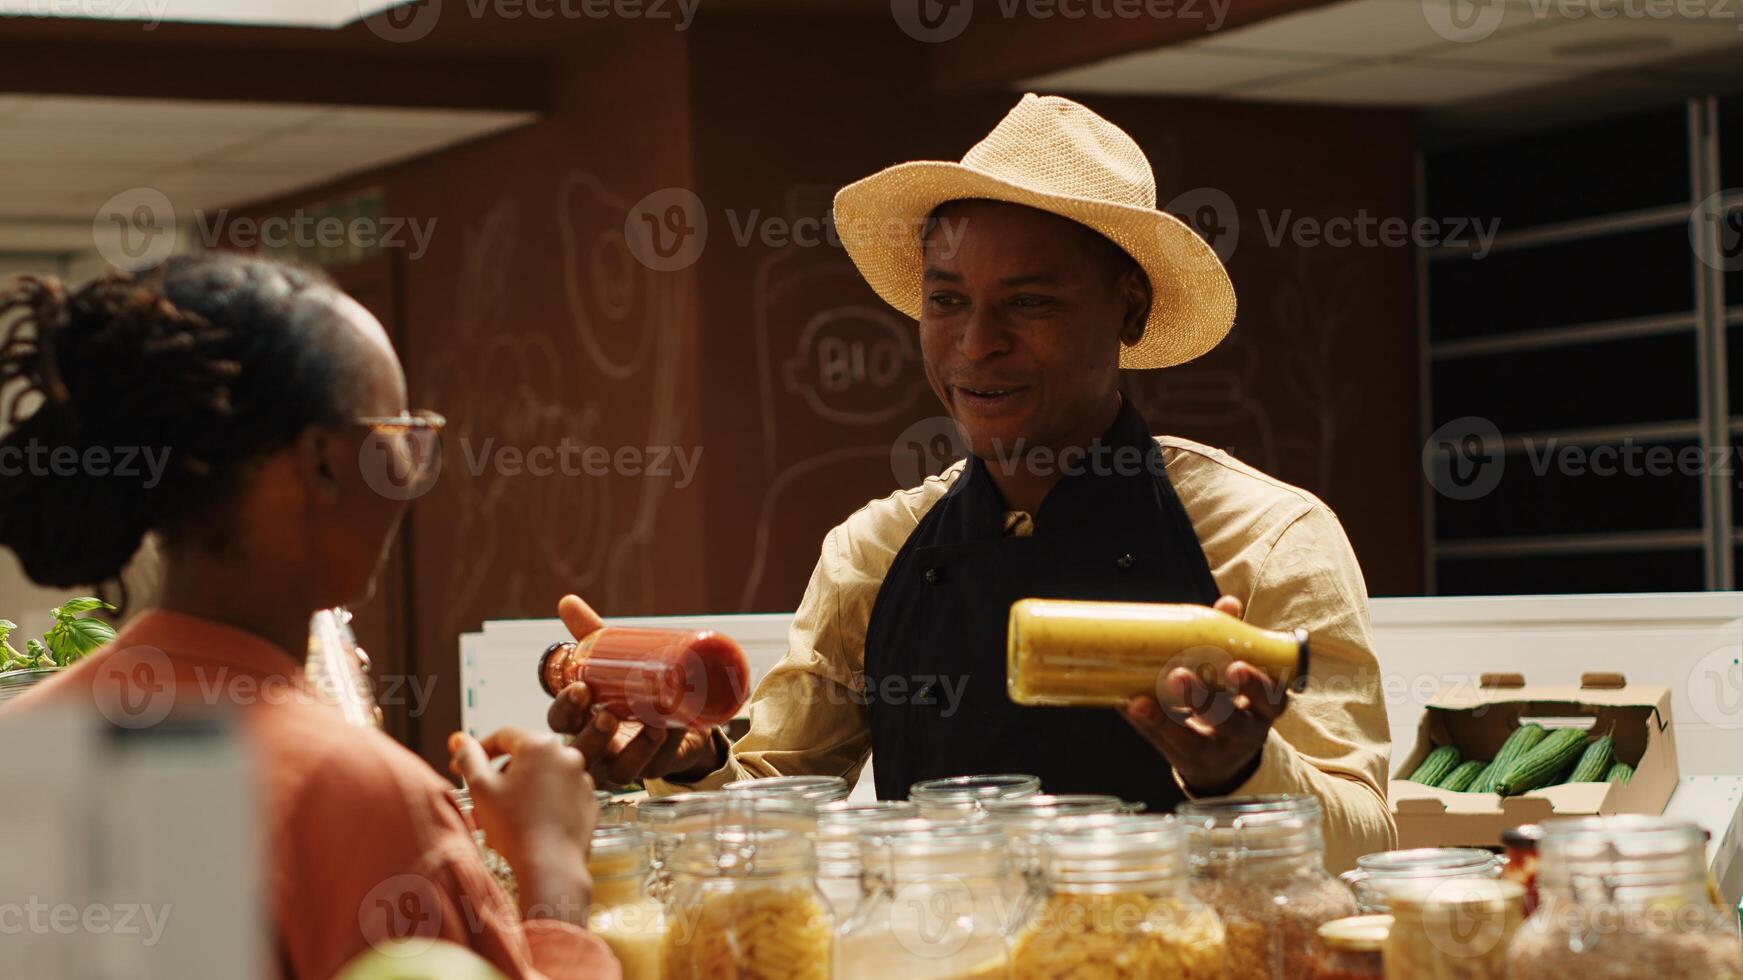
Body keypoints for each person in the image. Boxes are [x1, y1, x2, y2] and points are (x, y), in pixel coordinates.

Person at [548, 94, 1396, 871]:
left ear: (1128, 309)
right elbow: (778, 800)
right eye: (946, 301)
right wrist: (689, 758)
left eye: (1027, 304)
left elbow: (1363, 833)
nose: (975, 345)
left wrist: (1242, 768)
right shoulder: (873, 553)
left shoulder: (1266, 538)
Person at [0, 254, 619, 979]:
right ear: (323, 464)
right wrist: (552, 877)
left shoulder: (24, 741)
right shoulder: (359, 795)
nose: (409, 478)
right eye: (400, 438)